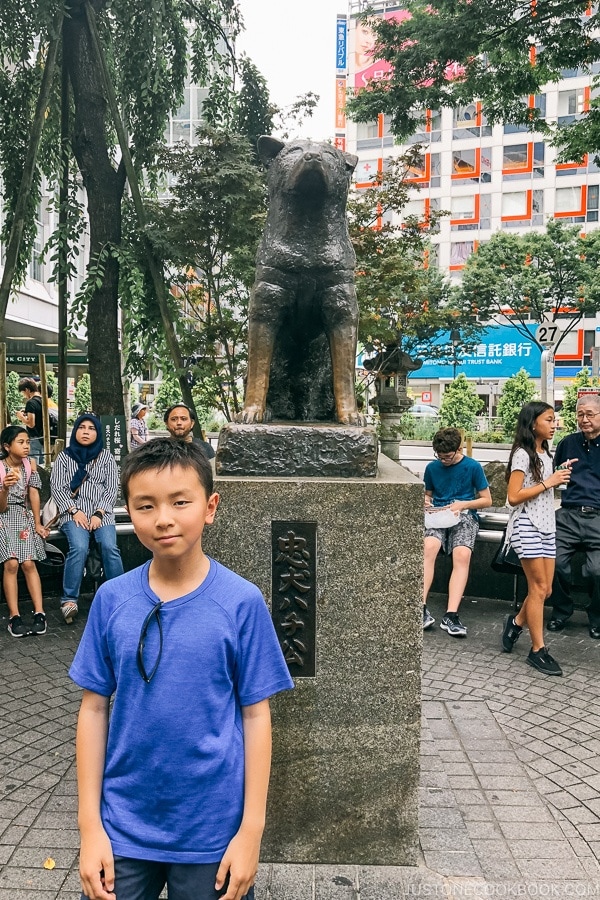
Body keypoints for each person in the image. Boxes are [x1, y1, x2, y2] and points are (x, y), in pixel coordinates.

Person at [69, 439, 294, 900]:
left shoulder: (240, 602)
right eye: (146, 505)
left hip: (212, 831)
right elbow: (93, 710)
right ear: (128, 512)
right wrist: (90, 828)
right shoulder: (113, 600)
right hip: (124, 826)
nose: (164, 518)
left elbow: (256, 714)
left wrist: (251, 831)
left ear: (210, 507)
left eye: (180, 502)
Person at [501, 402, 573, 676]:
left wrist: (558, 474)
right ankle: (537, 650)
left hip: (547, 525)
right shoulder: (523, 454)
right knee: (539, 588)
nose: (555, 424)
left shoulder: (545, 453)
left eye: (555, 420)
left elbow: (543, 487)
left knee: (545, 591)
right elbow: (513, 496)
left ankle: (516, 623)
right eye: (549, 419)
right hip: (527, 525)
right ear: (533, 424)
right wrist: (549, 482)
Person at [50, 413, 124, 624]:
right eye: (82, 427)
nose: (86, 432)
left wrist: (99, 513)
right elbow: (57, 487)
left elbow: (111, 488)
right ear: (75, 431)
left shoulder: (106, 456)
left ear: (97, 433)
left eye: (91, 428)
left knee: (110, 547)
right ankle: (69, 600)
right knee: (79, 547)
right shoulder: (64, 457)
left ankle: (119, 597)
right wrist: (75, 511)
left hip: (102, 513)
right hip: (73, 513)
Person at [423, 427, 492, 636]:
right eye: (439, 456)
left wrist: (464, 504)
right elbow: (427, 494)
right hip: (438, 514)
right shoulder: (432, 467)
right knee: (429, 547)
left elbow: (487, 500)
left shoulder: (472, 467)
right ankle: (421, 607)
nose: (443, 460)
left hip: (463, 515)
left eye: (447, 456)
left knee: (462, 554)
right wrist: (426, 502)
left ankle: (451, 614)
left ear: (459, 449)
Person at [547, 392, 600, 640]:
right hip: (568, 515)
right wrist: (558, 473)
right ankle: (561, 611)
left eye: (590, 414)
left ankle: (597, 616)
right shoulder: (568, 443)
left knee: (597, 570)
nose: (584, 419)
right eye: (581, 414)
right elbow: (553, 477)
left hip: (598, 516)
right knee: (553, 562)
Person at [0, 426, 50, 637]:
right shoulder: (1, 468)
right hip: (3, 517)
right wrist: (4, 488)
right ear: (6, 446)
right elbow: (1, 508)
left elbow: (34, 495)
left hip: (23, 515)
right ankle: (14, 616)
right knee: (11, 563)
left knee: (29, 563)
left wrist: (38, 523)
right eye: (21, 442)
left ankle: (40, 613)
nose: (27, 446)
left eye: (28, 442)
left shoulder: (30, 465)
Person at [16, 377, 44, 463]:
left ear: (27, 390)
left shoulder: (31, 402)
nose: (24, 395)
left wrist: (21, 417)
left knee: (33, 464)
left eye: (23, 392)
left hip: (34, 438)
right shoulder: (42, 400)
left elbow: (31, 424)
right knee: (42, 462)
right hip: (43, 437)